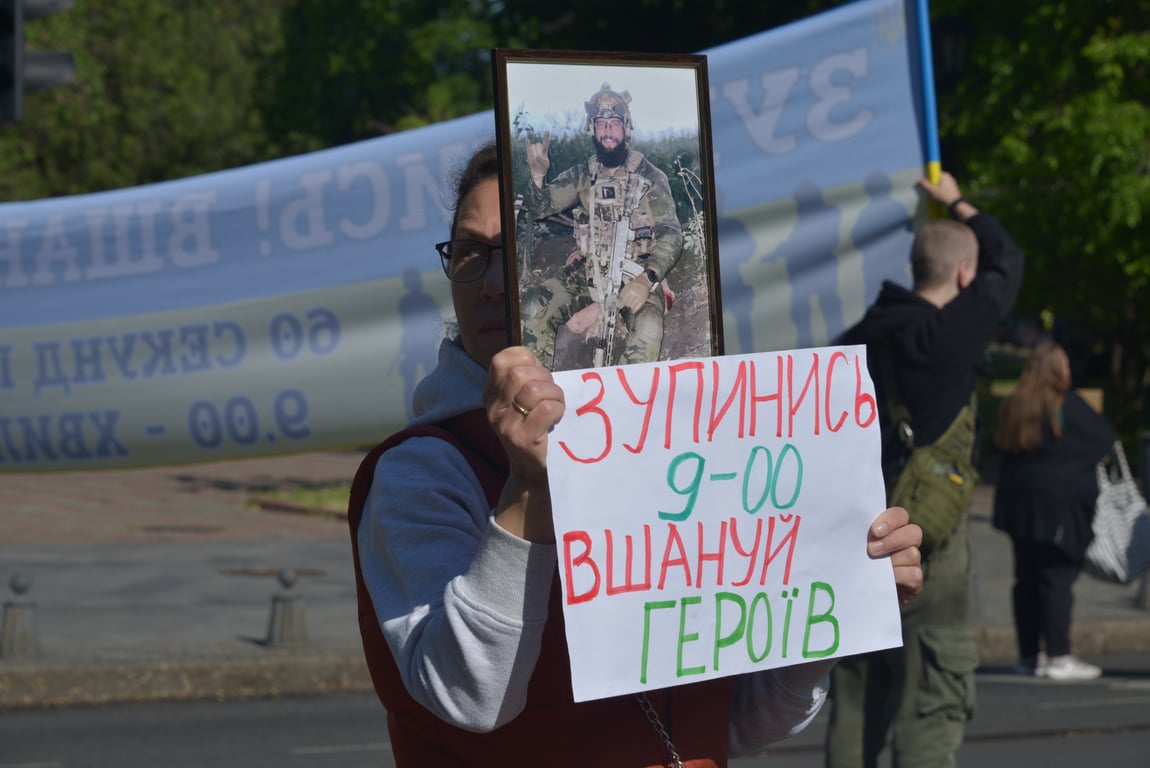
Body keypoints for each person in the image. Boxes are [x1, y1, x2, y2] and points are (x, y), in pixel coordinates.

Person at [347, 142, 925, 767]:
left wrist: (832, 605)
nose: (489, 283)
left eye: (514, 251)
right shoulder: (422, 470)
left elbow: (733, 721)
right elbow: (470, 696)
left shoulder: (672, 443)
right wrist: (526, 494)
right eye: (468, 252)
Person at [825, 171, 1025, 768]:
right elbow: (1008, 259)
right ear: (963, 277)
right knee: (931, 702)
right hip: (930, 550)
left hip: (864, 542)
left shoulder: (856, 341)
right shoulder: (952, 332)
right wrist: (957, 201)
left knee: (857, 701)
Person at [520, 82, 682, 369]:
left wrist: (647, 280)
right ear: (592, 129)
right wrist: (536, 177)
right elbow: (541, 206)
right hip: (590, 272)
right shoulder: (583, 175)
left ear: (627, 128)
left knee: (649, 328)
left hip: (636, 274)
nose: (608, 131)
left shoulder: (651, 177)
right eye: (601, 124)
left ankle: (626, 404)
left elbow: (671, 234)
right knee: (535, 304)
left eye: (614, 124)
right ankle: (536, 393)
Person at [992, 342, 1116, 681]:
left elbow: (996, 446)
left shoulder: (1014, 405)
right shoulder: (1068, 406)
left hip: (1018, 506)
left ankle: (1029, 654)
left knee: (1026, 581)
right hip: (1058, 508)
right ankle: (1059, 654)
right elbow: (1105, 439)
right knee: (1057, 581)